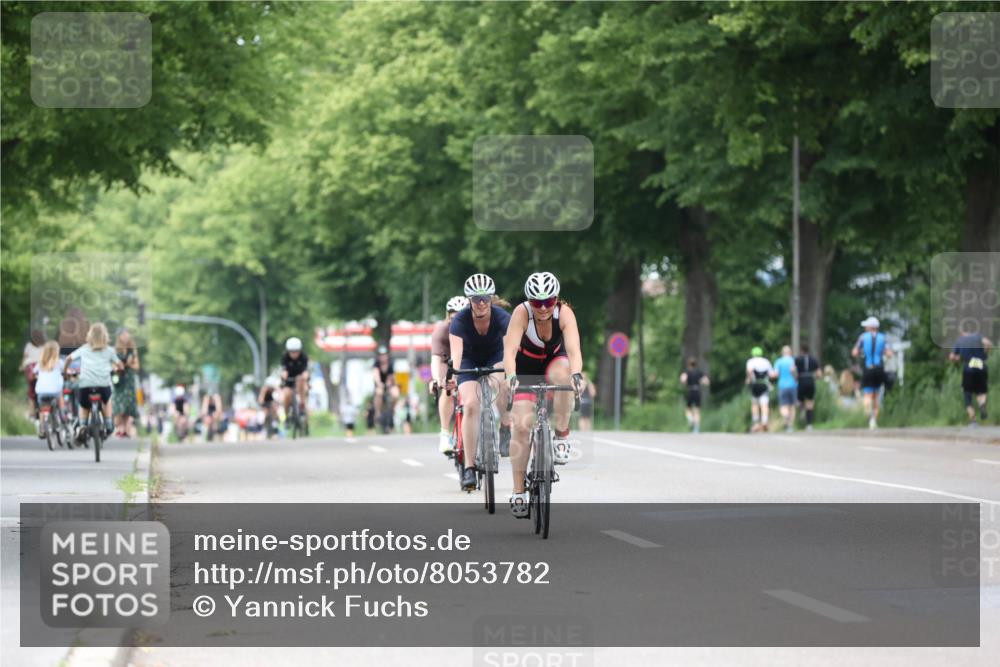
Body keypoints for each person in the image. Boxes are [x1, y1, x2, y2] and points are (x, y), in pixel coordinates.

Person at [504, 271, 583, 518]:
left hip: (554, 363)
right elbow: (509, 352)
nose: (543, 308)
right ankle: (518, 490)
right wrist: (510, 377)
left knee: (565, 376)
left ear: (556, 299)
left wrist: (577, 375)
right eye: (537, 302)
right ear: (529, 301)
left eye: (548, 301)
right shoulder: (521, 313)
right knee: (522, 426)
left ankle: (561, 435)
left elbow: (574, 351)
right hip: (525, 368)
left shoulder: (564, 313)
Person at [450, 273, 512, 492]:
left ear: (491, 297)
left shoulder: (503, 317)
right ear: (469, 300)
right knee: (470, 405)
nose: (482, 302)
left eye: (486, 297)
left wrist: (511, 371)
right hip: (468, 360)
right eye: (477, 299)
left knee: (503, 384)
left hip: (496, 356)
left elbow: (510, 349)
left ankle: (505, 425)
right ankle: (469, 467)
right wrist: (452, 378)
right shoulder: (459, 321)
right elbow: (456, 355)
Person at [67, 323, 119, 441]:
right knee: (107, 400)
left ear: (89, 336)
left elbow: (69, 358)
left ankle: (83, 425)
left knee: (83, 405)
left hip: (86, 385)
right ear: (105, 336)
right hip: (103, 385)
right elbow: (119, 364)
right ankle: (109, 424)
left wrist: (65, 372)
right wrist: (118, 369)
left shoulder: (84, 349)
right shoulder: (109, 351)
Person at [430, 296, 469, 453]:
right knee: (446, 387)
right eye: (454, 318)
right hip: (448, 361)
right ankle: (445, 434)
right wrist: (436, 379)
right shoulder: (441, 330)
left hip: (468, 361)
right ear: (448, 317)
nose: (458, 322)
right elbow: (436, 358)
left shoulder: (475, 328)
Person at [851, 316, 893, 430]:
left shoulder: (863, 337)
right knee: (876, 396)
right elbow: (889, 353)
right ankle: (873, 420)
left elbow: (854, 352)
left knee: (867, 394)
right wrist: (883, 353)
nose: (865, 328)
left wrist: (861, 353)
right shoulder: (883, 338)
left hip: (868, 368)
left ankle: (868, 413)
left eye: (866, 326)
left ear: (871, 327)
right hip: (879, 368)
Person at [949, 323, 992, 426]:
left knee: (967, 396)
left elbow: (952, 357)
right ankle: (982, 405)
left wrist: (957, 358)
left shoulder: (960, 340)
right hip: (981, 366)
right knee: (981, 392)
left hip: (968, 368)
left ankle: (973, 421)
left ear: (961, 332)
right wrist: (985, 352)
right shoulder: (978, 337)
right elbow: (988, 343)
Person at [112, 330, 140, 437]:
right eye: (123, 335)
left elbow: (137, 366)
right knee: (119, 404)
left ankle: (126, 428)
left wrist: (129, 364)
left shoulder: (132, 351)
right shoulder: (115, 351)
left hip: (129, 380)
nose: (125, 337)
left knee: (128, 405)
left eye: (127, 335)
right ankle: (120, 427)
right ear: (119, 337)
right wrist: (118, 367)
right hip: (118, 379)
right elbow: (112, 365)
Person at [34, 341, 66, 426]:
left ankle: (42, 427)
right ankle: (63, 415)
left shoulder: (40, 363)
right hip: (55, 392)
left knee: (42, 408)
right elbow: (65, 372)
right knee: (60, 395)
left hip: (41, 392)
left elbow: (34, 372)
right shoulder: (59, 362)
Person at [281, 337, 310, 426]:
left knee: (303, 387)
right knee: (286, 395)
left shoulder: (303, 356)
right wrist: (284, 375)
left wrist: (305, 376)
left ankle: (302, 404)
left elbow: (306, 370)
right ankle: (287, 416)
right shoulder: (285, 356)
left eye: (296, 351)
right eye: (291, 352)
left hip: (300, 379)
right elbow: (284, 370)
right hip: (289, 380)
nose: (294, 354)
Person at [746, 346, 773, 432]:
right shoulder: (766, 361)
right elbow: (771, 374)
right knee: (764, 404)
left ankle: (756, 423)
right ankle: (764, 421)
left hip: (755, 384)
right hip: (764, 384)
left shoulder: (750, 361)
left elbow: (749, 371)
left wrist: (748, 380)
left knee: (755, 404)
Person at [795, 344, 821, 431]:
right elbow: (819, 373)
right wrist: (816, 378)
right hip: (810, 380)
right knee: (810, 402)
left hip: (801, 380)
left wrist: (796, 377)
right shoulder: (813, 360)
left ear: (801, 351)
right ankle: (809, 424)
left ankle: (802, 410)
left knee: (800, 400)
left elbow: (792, 369)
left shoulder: (798, 359)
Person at [679, 358, 709, 433]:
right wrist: (701, 382)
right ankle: (696, 428)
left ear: (689, 364)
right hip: (697, 391)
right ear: (696, 364)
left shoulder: (686, 372)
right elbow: (707, 381)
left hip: (690, 391)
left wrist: (685, 382)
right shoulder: (699, 372)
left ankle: (691, 419)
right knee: (697, 410)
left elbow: (682, 380)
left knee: (688, 409)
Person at [372, 345, 398, 432]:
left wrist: (389, 384)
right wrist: (379, 383)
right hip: (380, 385)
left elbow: (391, 377)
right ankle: (378, 412)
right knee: (379, 392)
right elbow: (376, 375)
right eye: (381, 355)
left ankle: (393, 409)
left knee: (395, 393)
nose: (383, 357)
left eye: (384, 355)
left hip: (388, 385)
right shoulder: (376, 364)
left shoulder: (390, 364)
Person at [773, 345, 798, 432]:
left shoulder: (779, 362)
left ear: (782, 353)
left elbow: (775, 374)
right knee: (792, 406)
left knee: (783, 406)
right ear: (790, 352)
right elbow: (794, 372)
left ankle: (786, 416)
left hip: (782, 385)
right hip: (793, 385)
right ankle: (790, 425)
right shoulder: (793, 360)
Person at [21, 329, 45, 419]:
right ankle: (40, 410)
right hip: (40, 369)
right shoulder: (43, 346)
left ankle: (32, 412)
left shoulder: (29, 346)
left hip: (30, 369)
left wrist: (22, 366)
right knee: (40, 389)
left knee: (31, 391)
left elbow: (25, 357)